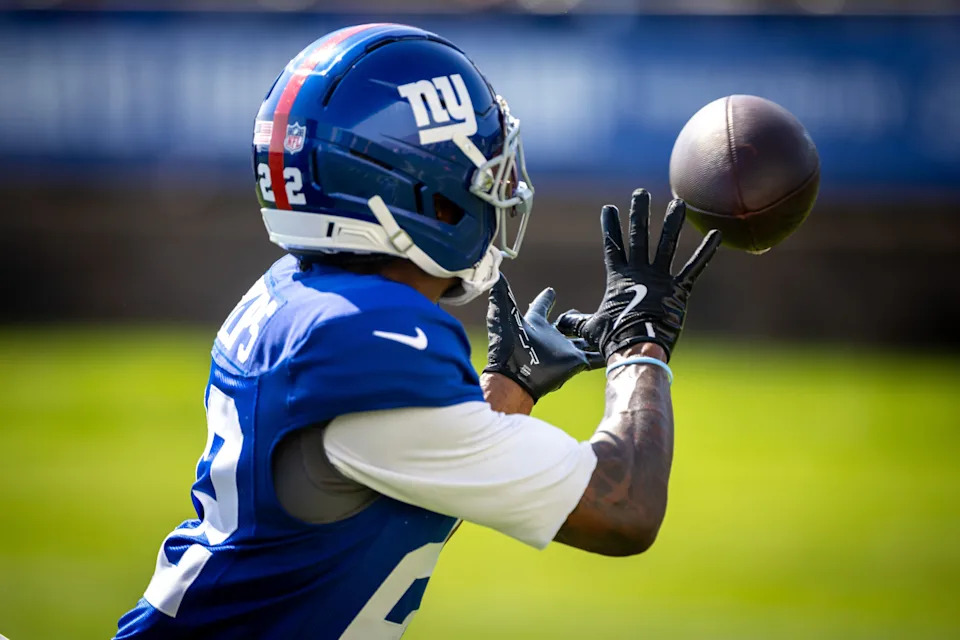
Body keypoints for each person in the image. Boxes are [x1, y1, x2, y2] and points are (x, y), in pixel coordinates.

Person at [115, 23, 721, 639]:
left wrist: (511, 385)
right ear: (422, 193)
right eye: (484, 167)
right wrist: (641, 345)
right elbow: (624, 509)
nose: (502, 186)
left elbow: (404, 470)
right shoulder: (369, 340)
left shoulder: (297, 295)